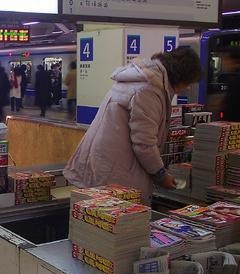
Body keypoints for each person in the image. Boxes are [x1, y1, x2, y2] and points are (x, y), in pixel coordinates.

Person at [64, 47, 201, 205]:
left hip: (105, 163)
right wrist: (161, 175)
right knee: (116, 222)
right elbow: (144, 143)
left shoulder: (141, 81)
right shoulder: (148, 90)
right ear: (181, 76)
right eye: (188, 82)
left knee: (99, 220)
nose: (188, 88)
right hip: (115, 171)